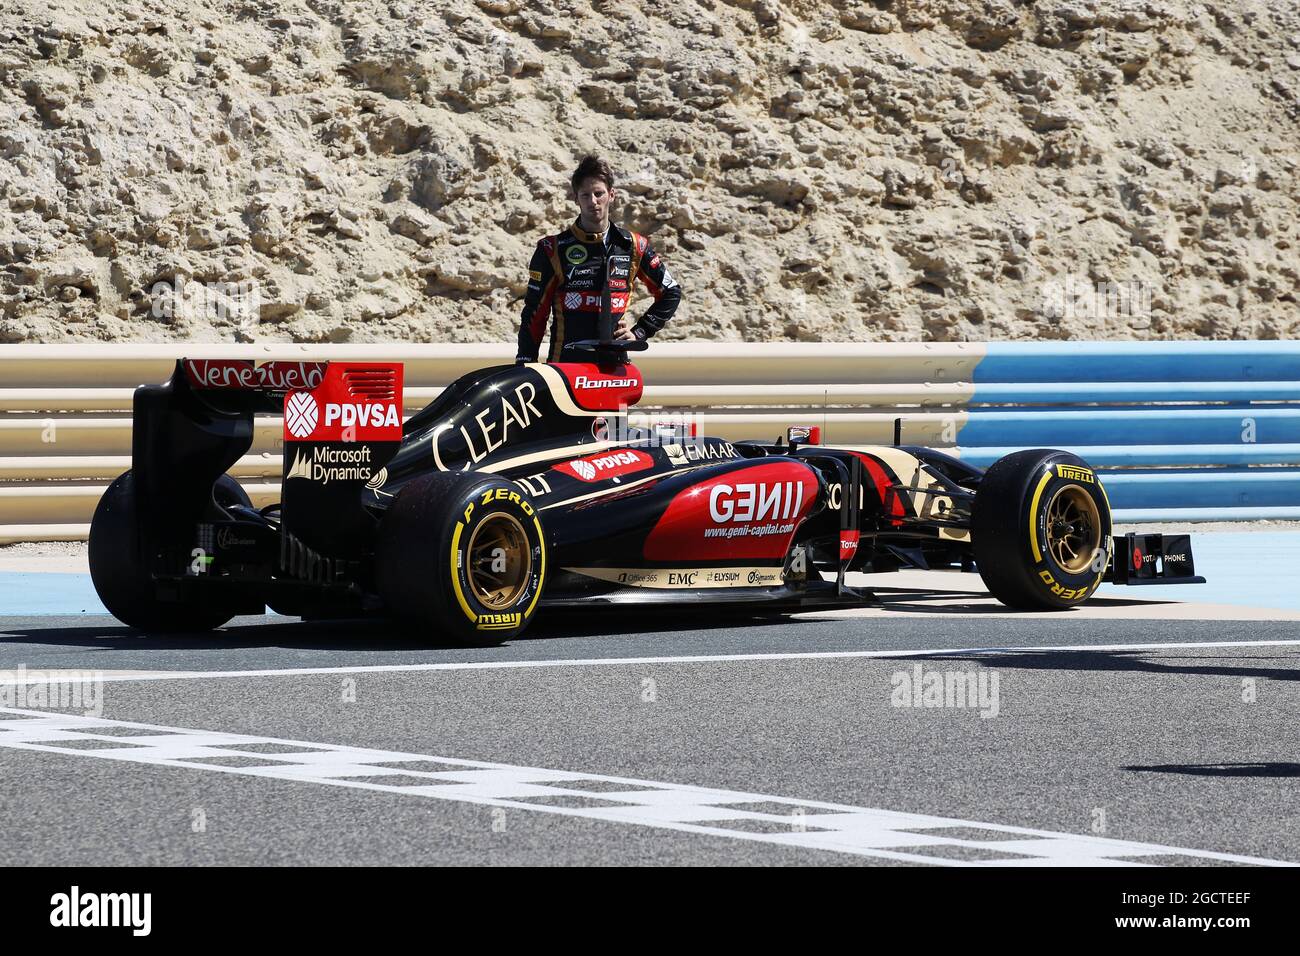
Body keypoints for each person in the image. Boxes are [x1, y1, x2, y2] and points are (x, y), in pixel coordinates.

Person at [517, 155, 681, 364]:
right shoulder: (552, 249)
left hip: (614, 369)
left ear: (611, 195)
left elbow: (671, 291)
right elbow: (534, 314)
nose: (592, 201)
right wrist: (525, 363)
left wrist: (640, 332)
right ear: (576, 199)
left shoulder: (633, 245)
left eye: (598, 193)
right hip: (566, 368)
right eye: (585, 195)